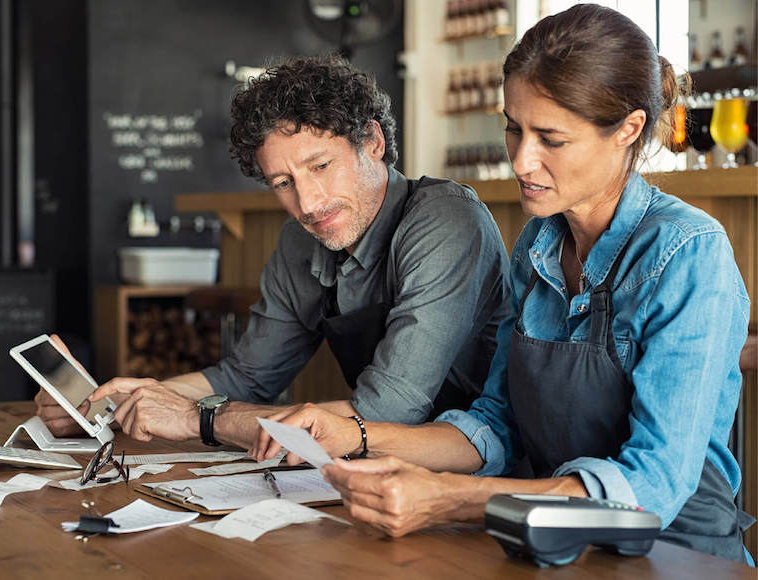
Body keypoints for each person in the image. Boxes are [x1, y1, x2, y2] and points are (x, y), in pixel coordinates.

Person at [251, 5, 754, 564]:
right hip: (551, 544)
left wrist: (454, 499)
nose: (520, 159)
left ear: (628, 130)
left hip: (676, 556)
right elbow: (497, 424)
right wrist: (354, 434)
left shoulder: (687, 252)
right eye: (514, 128)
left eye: (551, 138)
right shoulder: (538, 246)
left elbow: (653, 485)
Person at [35, 56, 511, 450]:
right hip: (379, 473)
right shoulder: (300, 240)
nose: (307, 203)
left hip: (479, 470)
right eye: (283, 183)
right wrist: (113, 404)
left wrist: (200, 420)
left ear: (373, 142)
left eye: (321, 166)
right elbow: (246, 376)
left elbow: (385, 412)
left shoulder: (446, 220)